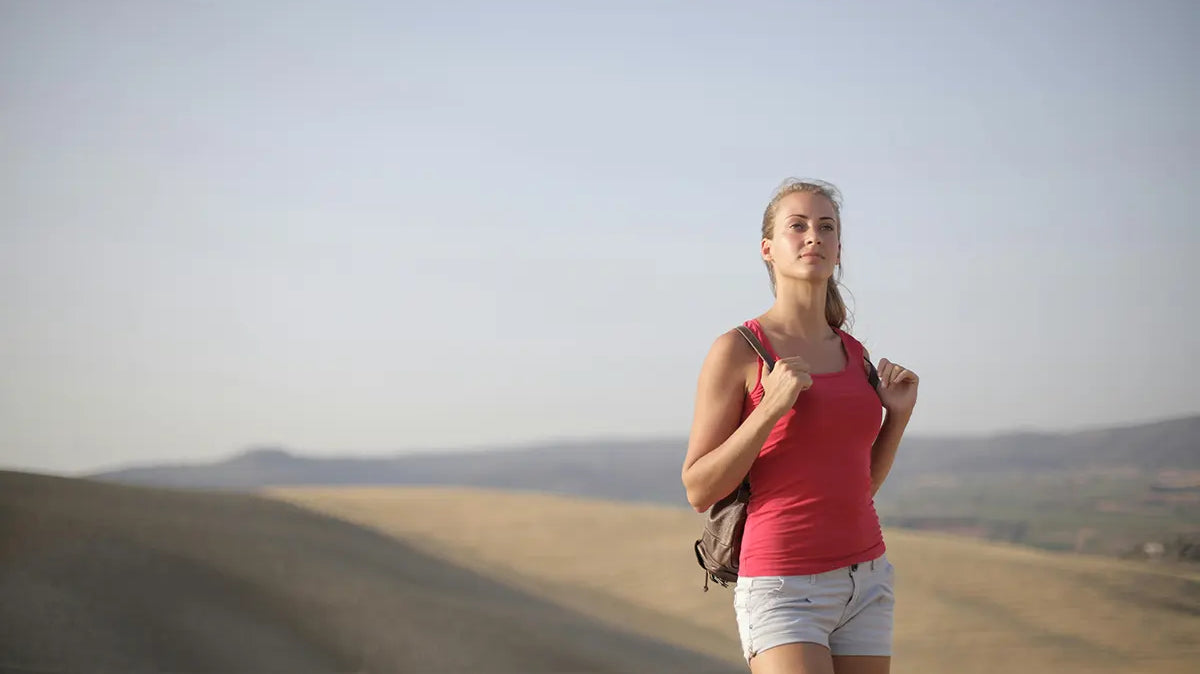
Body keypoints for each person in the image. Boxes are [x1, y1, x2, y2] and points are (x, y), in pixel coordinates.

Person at [680, 179, 919, 674]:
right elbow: (698, 488)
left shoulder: (855, 355)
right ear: (768, 249)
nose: (814, 236)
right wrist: (770, 407)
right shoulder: (739, 350)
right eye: (798, 225)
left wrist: (896, 417)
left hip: (868, 581)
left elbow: (858, 487)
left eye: (826, 227)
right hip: (783, 585)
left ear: (837, 251)